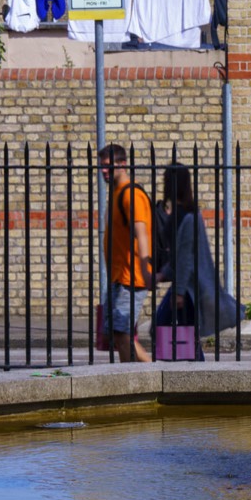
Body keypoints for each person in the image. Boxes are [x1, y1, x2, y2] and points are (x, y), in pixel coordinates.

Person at [154, 163, 243, 359]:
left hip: (187, 290)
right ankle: (181, 372)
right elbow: (179, 256)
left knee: (174, 331)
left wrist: (177, 292)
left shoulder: (188, 216)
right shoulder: (180, 213)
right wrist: (162, 275)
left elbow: (186, 258)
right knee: (181, 335)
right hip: (183, 286)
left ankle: (188, 374)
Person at [99, 143, 154, 363]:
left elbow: (142, 233)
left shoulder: (131, 194)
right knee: (117, 334)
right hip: (118, 278)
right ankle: (131, 375)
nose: (103, 171)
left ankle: (150, 372)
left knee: (122, 333)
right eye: (101, 167)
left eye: (107, 166)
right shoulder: (116, 193)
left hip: (131, 278)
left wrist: (145, 270)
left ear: (122, 165)